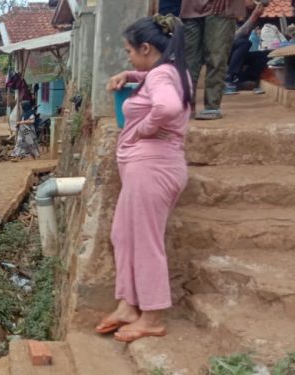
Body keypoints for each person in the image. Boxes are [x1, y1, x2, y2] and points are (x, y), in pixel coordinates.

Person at [100, 15, 191, 343]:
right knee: (123, 234)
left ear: (147, 48)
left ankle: (151, 316)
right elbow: (154, 80)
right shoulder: (167, 71)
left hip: (153, 168)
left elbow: (165, 107)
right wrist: (130, 74)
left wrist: (141, 129)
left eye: (129, 52)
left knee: (147, 243)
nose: (128, 57)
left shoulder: (162, 76)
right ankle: (127, 305)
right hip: (146, 168)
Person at [181, 0, 245, 120]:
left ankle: (212, 106)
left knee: (216, 56)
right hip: (191, 7)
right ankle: (188, 104)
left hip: (221, 8)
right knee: (188, 60)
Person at [224, 1, 268, 95]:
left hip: (238, 53)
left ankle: (243, 79)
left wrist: (254, 15)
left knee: (265, 54)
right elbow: (233, 39)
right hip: (223, 52)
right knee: (244, 43)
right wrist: (253, 17)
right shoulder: (231, 9)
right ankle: (229, 79)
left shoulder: (249, 11)